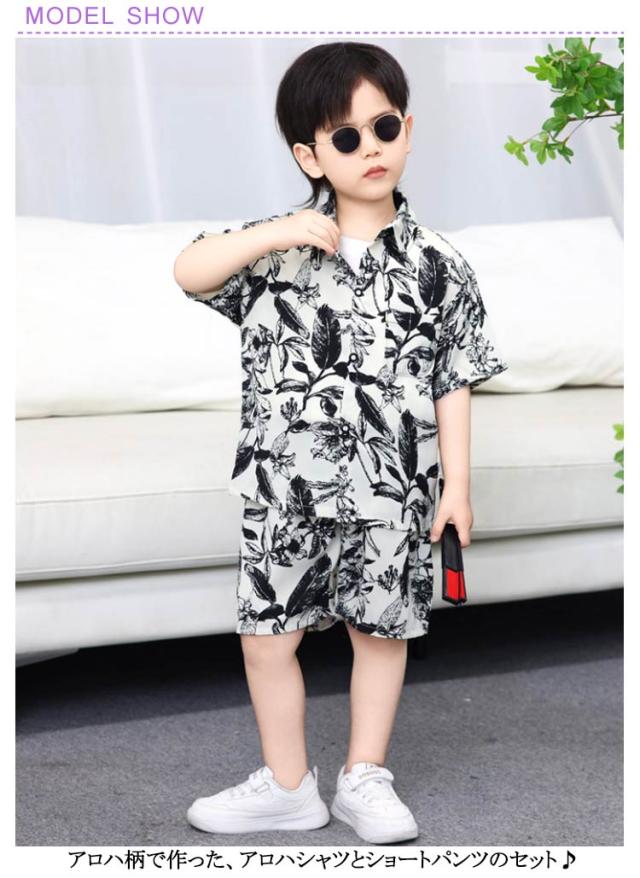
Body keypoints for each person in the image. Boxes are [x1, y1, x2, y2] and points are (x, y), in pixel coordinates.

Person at [173, 41, 508, 845]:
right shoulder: (278, 251)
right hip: (283, 486)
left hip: (390, 489)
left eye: (384, 128)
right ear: (310, 156)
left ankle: (365, 775)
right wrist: (276, 230)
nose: (371, 149)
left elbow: (454, 378)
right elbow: (189, 270)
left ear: (408, 130)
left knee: (381, 631)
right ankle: (288, 786)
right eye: (346, 137)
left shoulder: (440, 266)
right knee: (266, 636)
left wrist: (457, 488)